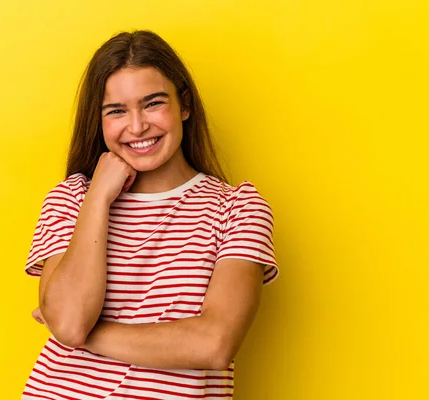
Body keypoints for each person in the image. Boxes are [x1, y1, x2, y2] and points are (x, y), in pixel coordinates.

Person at [21, 30, 279, 399]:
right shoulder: (72, 199)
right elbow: (70, 319)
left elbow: (214, 344)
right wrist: (98, 197)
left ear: (184, 105)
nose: (138, 126)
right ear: (99, 120)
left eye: (153, 103)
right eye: (116, 111)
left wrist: (86, 334)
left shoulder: (237, 209)